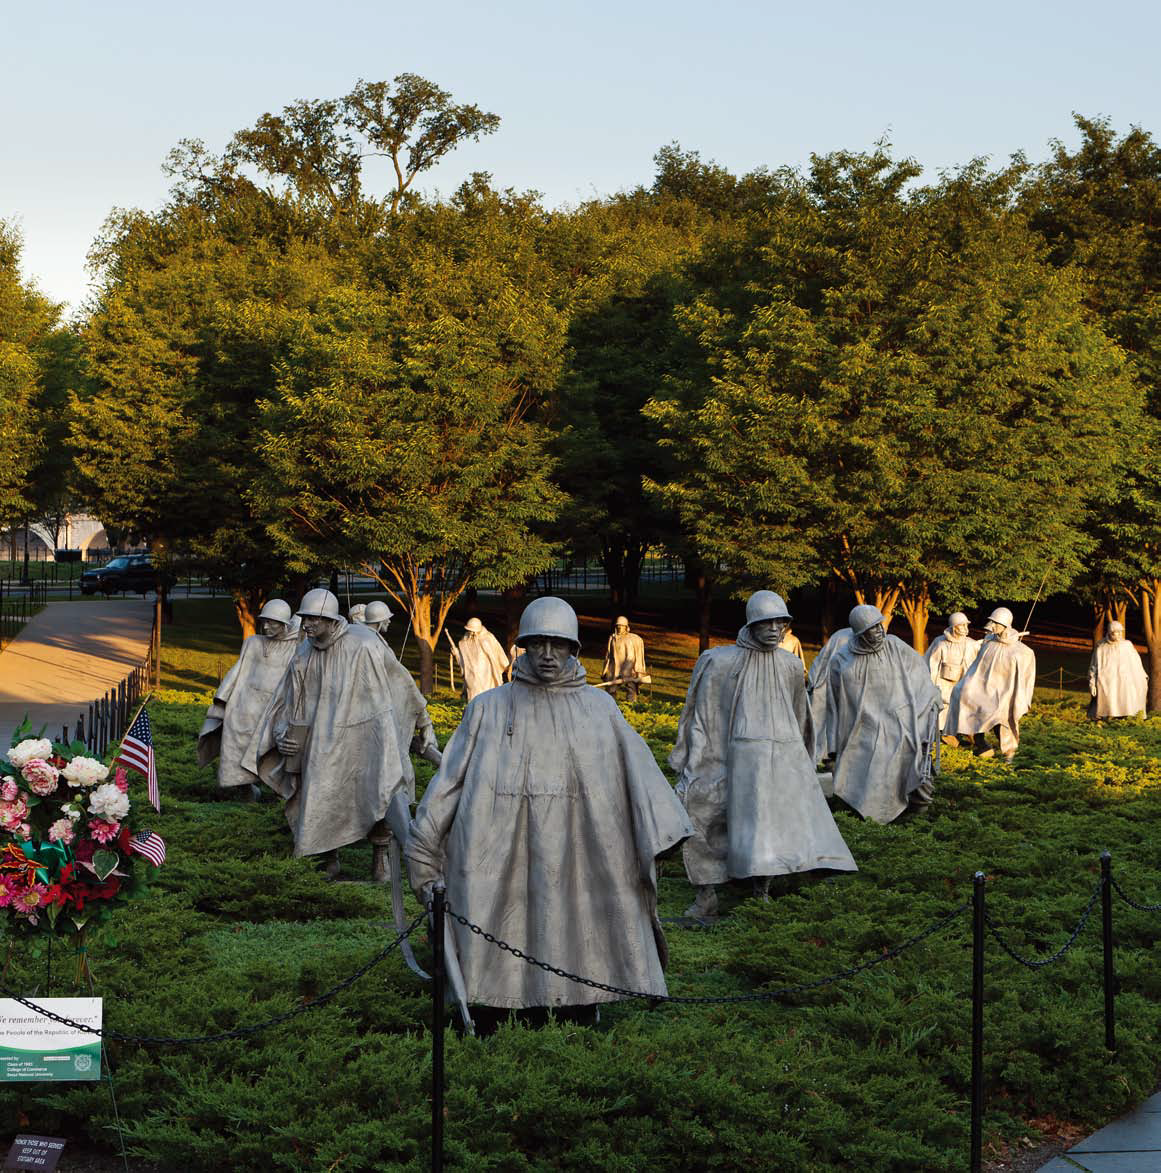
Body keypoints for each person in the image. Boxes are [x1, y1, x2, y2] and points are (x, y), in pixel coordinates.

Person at [406, 597, 691, 1018]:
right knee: (503, 923)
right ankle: (496, 1007)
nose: (546, 655)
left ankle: (582, 1003)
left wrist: (664, 834)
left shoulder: (599, 709)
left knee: (579, 927)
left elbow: (640, 775)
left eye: (557, 645)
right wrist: (423, 846)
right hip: (502, 848)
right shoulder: (488, 708)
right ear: (522, 646)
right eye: (536, 644)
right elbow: (449, 783)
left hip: (581, 848)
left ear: (573, 649)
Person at [671, 590, 856, 919]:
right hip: (727, 754)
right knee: (705, 811)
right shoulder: (720, 661)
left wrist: (802, 759)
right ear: (751, 624)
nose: (773, 629)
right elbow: (702, 714)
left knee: (769, 824)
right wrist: (695, 758)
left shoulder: (789, 664)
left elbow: (801, 715)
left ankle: (762, 890)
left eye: (780, 622)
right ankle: (706, 894)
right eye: (766, 622)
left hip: (778, 758)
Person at [246, 589, 438, 881]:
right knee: (319, 794)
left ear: (331, 620)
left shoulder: (364, 645)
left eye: (313, 618)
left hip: (368, 733)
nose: (306, 624)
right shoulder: (303, 653)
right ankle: (327, 858)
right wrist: (283, 732)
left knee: (379, 789)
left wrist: (423, 720)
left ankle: (381, 857)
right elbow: (286, 700)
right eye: (304, 618)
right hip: (320, 741)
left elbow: (401, 683)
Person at [827, 604, 943, 824]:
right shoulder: (842, 660)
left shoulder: (896, 647)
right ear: (860, 632)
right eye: (872, 628)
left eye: (880, 626)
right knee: (867, 761)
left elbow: (920, 675)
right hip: (864, 724)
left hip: (902, 719)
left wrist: (930, 697)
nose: (879, 631)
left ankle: (915, 812)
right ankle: (866, 812)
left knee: (912, 754)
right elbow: (836, 703)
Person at [198, 599, 301, 794]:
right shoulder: (253, 643)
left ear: (285, 624)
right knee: (236, 753)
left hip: (273, 710)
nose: (266, 626)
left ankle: (279, 791)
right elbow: (238, 672)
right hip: (243, 708)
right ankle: (243, 790)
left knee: (273, 749)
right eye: (265, 621)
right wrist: (222, 701)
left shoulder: (296, 647)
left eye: (273, 622)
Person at [945, 606, 1036, 761]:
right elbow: (977, 669)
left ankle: (1009, 753)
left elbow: (1024, 677)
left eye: (996, 622)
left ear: (1005, 624)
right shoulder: (989, 643)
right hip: (983, 689)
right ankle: (981, 745)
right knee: (967, 702)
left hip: (1003, 694)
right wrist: (964, 686)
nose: (992, 625)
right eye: (992, 622)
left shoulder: (1020, 651)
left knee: (1001, 720)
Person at [925, 612, 981, 746]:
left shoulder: (972, 644)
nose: (963, 628)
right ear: (953, 627)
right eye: (960, 625)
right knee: (944, 706)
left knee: (967, 706)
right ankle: (946, 734)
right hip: (944, 681)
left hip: (964, 681)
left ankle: (970, 734)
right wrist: (933, 683)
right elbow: (931, 663)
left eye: (965, 625)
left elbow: (980, 662)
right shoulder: (940, 643)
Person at [805, 625, 854, 764]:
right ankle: (814, 755)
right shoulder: (843, 637)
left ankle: (829, 754)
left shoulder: (845, 636)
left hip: (837, 685)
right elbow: (822, 663)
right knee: (818, 722)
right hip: (823, 684)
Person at [1088, 620, 1148, 719]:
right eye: (1117, 632)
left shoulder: (1127, 645)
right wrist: (1092, 683)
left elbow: (1136, 663)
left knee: (1127, 704)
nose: (1119, 634)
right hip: (1107, 684)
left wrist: (1142, 677)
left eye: (1121, 632)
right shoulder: (1101, 648)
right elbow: (1094, 667)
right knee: (1109, 707)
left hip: (1125, 684)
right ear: (1110, 633)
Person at [450, 617, 509, 700]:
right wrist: (457, 654)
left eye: (472, 631)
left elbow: (497, 652)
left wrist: (505, 665)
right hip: (472, 677)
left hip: (486, 674)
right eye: (469, 630)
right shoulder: (465, 641)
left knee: (487, 695)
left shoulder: (488, 638)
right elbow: (464, 660)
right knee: (473, 698)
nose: (470, 633)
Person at [602, 616, 647, 702]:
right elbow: (608, 654)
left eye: (622, 626)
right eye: (618, 625)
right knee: (610, 690)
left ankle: (631, 706)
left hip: (628, 669)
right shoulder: (612, 638)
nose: (619, 627)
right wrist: (605, 669)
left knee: (631, 689)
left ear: (626, 627)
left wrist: (627, 670)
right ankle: (611, 706)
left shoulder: (630, 639)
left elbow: (631, 656)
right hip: (614, 668)